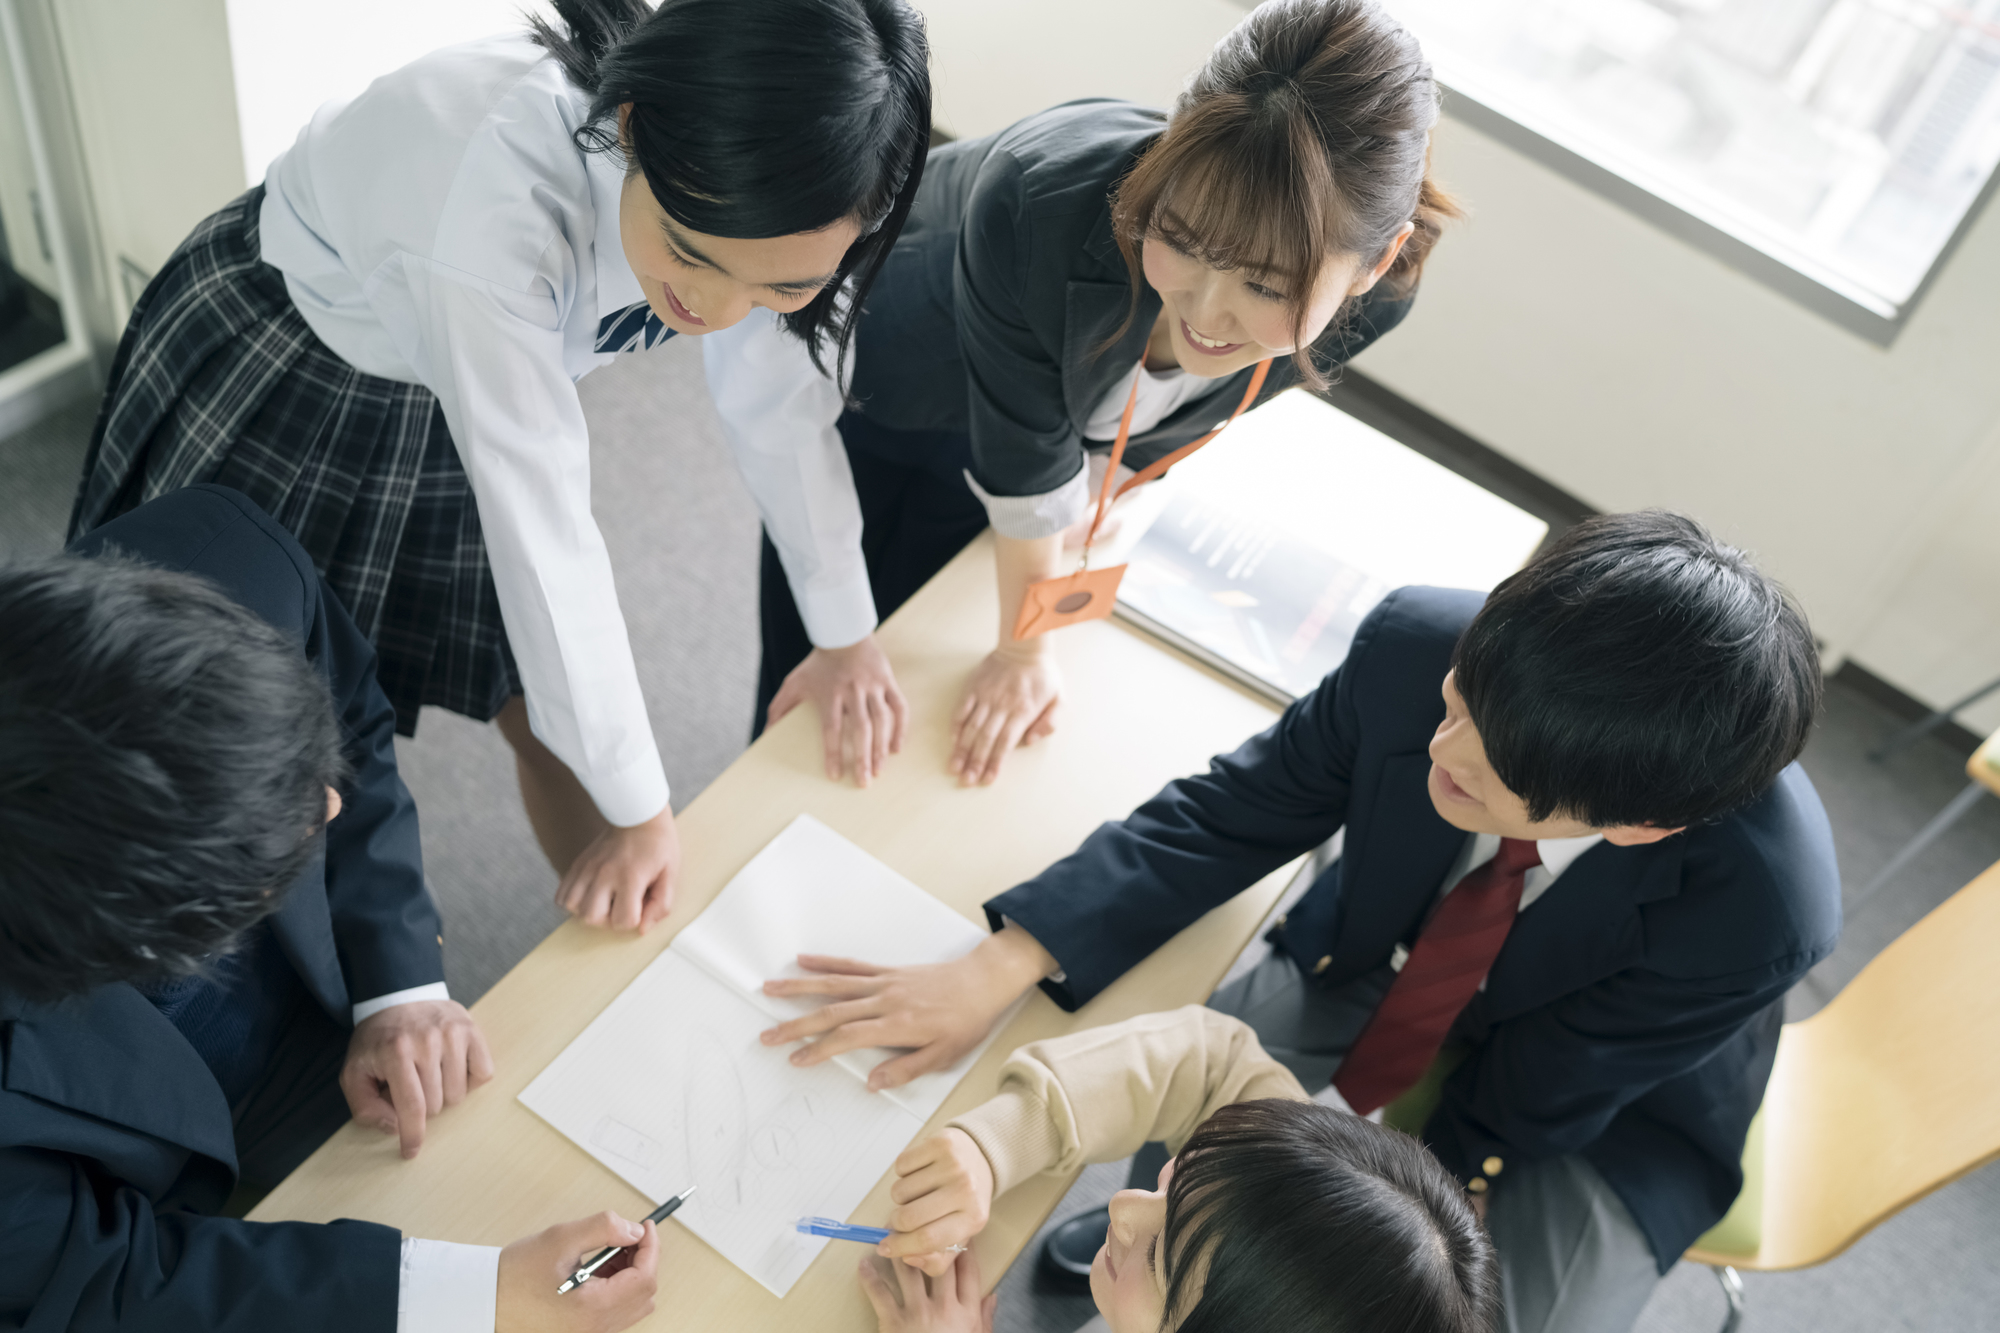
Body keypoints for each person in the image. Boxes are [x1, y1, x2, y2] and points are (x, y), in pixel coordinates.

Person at [757, 512, 1842, 1333]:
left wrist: (1298, 1247)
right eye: (1460, 703)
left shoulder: (1760, 904)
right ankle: (1176, 1261)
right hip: (1373, 961)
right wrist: (1004, 960)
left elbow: (1527, 1101)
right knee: (1188, 1124)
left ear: (1640, 825)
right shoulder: (1420, 643)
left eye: (1493, 771)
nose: (1440, 755)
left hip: (1594, 1119)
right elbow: (1239, 808)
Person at [69, 0, 932, 937]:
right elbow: (546, 532)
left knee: (537, 695)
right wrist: (645, 810)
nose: (717, 309)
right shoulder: (496, 206)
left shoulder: (823, 187)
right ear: (635, 128)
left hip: (477, 380)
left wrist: (844, 629)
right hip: (302, 359)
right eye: (688, 252)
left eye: (780, 286)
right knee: (228, 733)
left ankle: (646, 939)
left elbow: (776, 404)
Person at [0, 486, 657, 1332]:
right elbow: (104, 1277)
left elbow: (351, 728)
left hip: (313, 1008)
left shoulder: (228, 563)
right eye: (266, 841)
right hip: (98, 1185)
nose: (328, 807)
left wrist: (399, 991)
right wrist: (475, 1301)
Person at [752, 0, 1460, 785]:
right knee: (822, 659)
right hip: (909, 369)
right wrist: (1025, 649)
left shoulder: (1380, 297)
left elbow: (1212, 398)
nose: (1206, 309)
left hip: (1060, 426)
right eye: (1183, 240)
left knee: (920, 669)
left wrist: (1117, 472)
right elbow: (1026, 464)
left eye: (1265, 282)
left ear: (1374, 259)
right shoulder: (1039, 195)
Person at [858, 1007, 1498, 1333]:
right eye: (1176, 1178)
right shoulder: (1294, 1184)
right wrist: (997, 1141)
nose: (1120, 1204)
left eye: (1163, 1253)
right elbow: (1211, 1061)